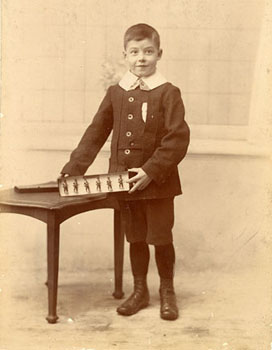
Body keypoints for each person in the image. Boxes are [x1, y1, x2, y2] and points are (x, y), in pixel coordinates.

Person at [60, 23, 190, 320]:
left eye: (148, 52)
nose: (141, 59)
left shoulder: (168, 92)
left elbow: (177, 138)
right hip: (124, 182)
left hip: (157, 182)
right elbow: (96, 132)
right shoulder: (116, 92)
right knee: (136, 237)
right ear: (125, 55)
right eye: (134, 52)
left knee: (160, 237)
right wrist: (73, 169)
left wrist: (150, 170)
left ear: (159, 54)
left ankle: (167, 291)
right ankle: (140, 290)